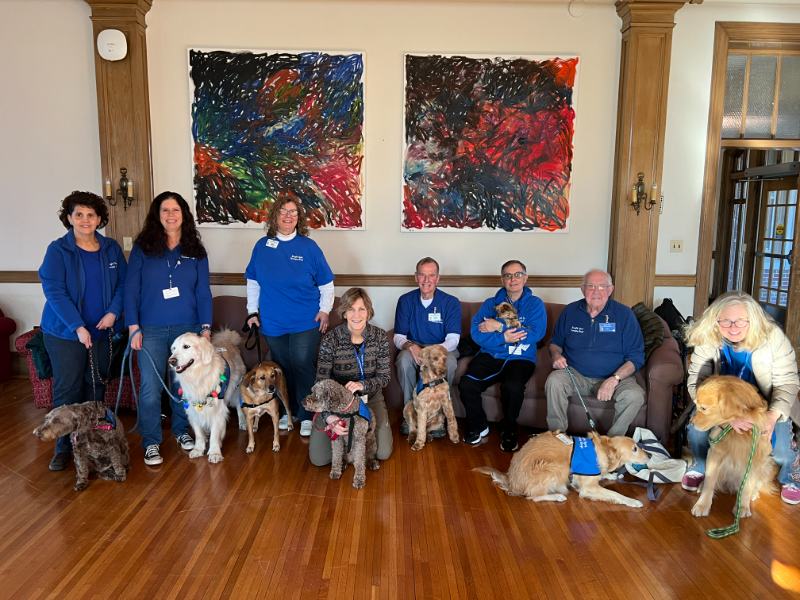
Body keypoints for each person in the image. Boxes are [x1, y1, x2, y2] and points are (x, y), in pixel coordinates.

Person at [682, 291, 800, 505]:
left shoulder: (773, 337)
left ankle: (791, 474)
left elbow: (788, 382)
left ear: (752, 320)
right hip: (721, 404)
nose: (733, 327)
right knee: (697, 432)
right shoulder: (709, 336)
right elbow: (696, 381)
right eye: (725, 320)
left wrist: (772, 417)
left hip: (764, 405)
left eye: (740, 321)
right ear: (715, 320)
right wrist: (727, 418)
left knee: (781, 451)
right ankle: (700, 465)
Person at [38, 191, 127, 471]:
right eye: (79, 214)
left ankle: (92, 443)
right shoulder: (58, 250)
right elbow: (54, 291)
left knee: (96, 388)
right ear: (69, 218)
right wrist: (77, 326)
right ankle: (63, 447)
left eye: (91, 215)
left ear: (99, 218)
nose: (85, 220)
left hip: (101, 331)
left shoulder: (111, 248)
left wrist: (113, 313)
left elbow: (123, 285)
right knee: (68, 389)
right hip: (65, 333)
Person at [125, 191, 212, 466]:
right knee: (151, 388)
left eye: (176, 210)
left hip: (186, 330)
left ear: (184, 214)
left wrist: (205, 328)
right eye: (165, 210)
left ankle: (181, 431)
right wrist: (133, 327)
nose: (171, 215)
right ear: (157, 214)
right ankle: (151, 441)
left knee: (182, 387)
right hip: (149, 330)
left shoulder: (195, 250)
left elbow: (203, 293)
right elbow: (131, 289)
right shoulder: (143, 247)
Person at [245, 197, 334, 438]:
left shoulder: (309, 247)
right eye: (283, 211)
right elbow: (253, 281)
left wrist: (325, 309)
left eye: (293, 212)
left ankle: (307, 414)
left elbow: (326, 283)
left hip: (305, 320)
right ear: (275, 216)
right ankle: (289, 412)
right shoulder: (262, 246)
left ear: (299, 218)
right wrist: (252, 311)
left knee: (302, 364)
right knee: (281, 369)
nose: (288, 215)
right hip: (273, 322)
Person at [545, 269, 645, 437]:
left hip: (615, 377)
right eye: (590, 286)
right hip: (576, 375)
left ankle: (612, 443)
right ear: (582, 289)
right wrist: (556, 355)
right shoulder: (570, 312)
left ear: (610, 289)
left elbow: (636, 357)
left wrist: (615, 379)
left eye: (601, 287)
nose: (596, 291)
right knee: (554, 381)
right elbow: (555, 344)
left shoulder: (625, 315)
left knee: (635, 396)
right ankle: (557, 437)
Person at [459, 260, 547, 452]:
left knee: (513, 387)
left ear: (525, 277)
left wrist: (499, 327)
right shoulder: (491, 304)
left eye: (517, 274)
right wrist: (503, 339)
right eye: (508, 275)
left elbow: (535, 333)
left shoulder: (535, 304)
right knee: (467, 383)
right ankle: (480, 425)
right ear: (502, 279)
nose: (512, 279)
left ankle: (509, 429)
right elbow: (477, 334)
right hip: (491, 354)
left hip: (521, 358)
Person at [309, 287, 393, 466]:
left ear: (369, 312)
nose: (357, 315)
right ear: (344, 313)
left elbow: (385, 377)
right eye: (351, 309)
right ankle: (349, 447)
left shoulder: (380, 337)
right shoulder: (330, 340)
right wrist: (330, 416)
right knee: (319, 459)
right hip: (336, 402)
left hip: (369, 398)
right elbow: (320, 382)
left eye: (362, 309)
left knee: (383, 452)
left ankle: (356, 446)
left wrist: (362, 385)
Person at [393, 257, 461, 435]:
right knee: (403, 361)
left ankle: (439, 417)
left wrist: (432, 353)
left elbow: (454, 339)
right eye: (422, 275)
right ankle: (411, 415)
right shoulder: (405, 301)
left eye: (431, 275)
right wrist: (410, 346)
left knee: (451, 363)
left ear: (438, 278)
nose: (426, 280)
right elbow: (398, 336)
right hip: (415, 347)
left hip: (441, 348)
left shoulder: (451, 302)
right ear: (416, 277)